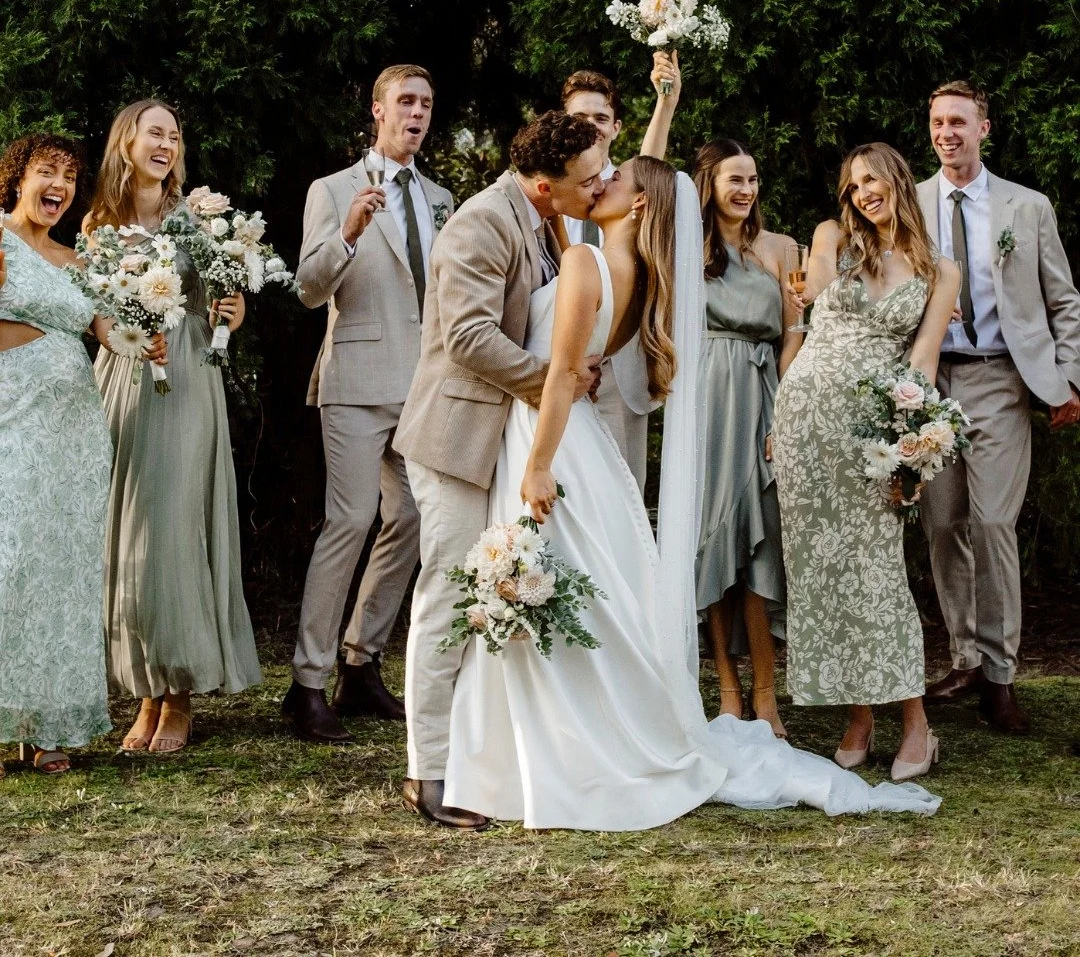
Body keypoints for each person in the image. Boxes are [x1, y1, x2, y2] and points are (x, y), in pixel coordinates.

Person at [440, 157, 941, 829]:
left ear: (639, 204)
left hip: (552, 440)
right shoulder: (626, 269)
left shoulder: (591, 264)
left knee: (566, 591)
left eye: (611, 179)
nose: (598, 182)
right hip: (587, 440)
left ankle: (553, 752)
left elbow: (563, 373)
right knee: (579, 595)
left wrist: (537, 463)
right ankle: (558, 743)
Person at [394, 110, 607, 829]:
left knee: (496, 594)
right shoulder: (482, 223)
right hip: (456, 439)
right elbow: (468, 336)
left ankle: (486, 759)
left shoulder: (549, 222)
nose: (600, 185)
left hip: (504, 437)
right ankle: (427, 771)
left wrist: (573, 370)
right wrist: (551, 379)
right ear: (545, 186)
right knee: (448, 595)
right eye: (589, 179)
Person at [772, 143, 959, 783]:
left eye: (872, 179)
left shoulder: (940, 270)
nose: (862, 193)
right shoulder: (832, 236)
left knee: (876, 572)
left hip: (873, 435)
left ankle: (915, 723)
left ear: (897, 179)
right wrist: (812, 284)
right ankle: (858, 718)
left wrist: (913, 449)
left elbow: (924, 359)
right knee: (820, 571)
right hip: (805, 420)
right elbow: (817, 281)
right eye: (853, 185)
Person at [282, 64, 453, 743]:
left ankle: (360, 663)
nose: (417, 113)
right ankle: (306, 682)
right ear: (377, 110)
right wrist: (348, 231)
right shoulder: (333, 189)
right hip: (355, 381)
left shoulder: (442, 198)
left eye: (427, 105)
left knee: (411, 517)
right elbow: (307, 287)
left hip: (423, 387)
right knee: (349, 522)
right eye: (406, 102)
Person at [88, 100, 261, 755]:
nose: (167, 143)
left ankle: (180, 693)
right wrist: (127, 336)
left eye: (175, 135)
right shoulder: (99, 226)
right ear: (126, 141)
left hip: (187, 379)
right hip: (123, 384)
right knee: (131, 535)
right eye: (154, 132)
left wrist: (230, 316)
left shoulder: (198, 220)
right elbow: (97, 316)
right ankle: (146, 691)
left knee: (173, 532)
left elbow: (222, 315)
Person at [917, 81, 1080, 734]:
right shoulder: (910, 203)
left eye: (959, 121)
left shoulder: (1026, 207)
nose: (947, 132)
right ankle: (963, 658)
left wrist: (1069, 378)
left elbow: (1064, 300)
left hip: (1002, 380)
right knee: (942, 523)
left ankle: (1002, 675)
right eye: (937, 122)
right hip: (929, 383)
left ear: (985, 128)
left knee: (992, 525)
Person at [0, 135, 163, 774]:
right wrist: (39, 332)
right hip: (12, 421)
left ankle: (49, 727)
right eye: (48, 172)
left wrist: (144, 344)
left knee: (62, 574)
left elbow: (106, 330)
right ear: (18, 179)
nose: (59, 186)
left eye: (69, 176)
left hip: (74, 433)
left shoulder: (75, 260)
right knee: (9, 560)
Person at [692, 139, 801, 739]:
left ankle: (767, 693)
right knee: (712, 540)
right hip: (708, 400)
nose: (746, 190)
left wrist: (782, 412)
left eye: (754, 179)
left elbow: (794, 332)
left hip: (761, 397)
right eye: (735, 179)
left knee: (760, 538)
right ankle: (727, 689)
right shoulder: (687, 251)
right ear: (708, 184)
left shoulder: (776, 249)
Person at [558, 54, 680, 489]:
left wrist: (665, 103)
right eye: (580, 116)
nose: (590, 125)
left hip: (620, 366)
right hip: (558, 361)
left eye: (601, 116)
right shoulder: (552, 188)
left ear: (616, 128)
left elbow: (651, 166)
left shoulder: (625, 190)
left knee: (620, 490)